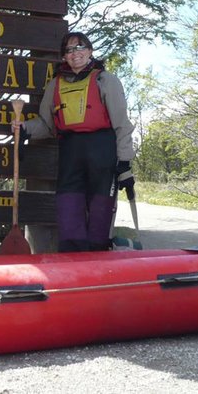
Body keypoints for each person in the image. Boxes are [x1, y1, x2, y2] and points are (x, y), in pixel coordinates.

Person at [14, 31, 134, 252]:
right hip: (71, 151)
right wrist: (24, 128)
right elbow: (46, 124)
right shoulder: (55, 85)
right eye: (69, 50)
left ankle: (98, 261)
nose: (75, 53)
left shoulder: (105, 80)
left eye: (79, 47)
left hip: (102, 150)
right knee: (69, 209)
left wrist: (125, 162)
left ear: (89, 51)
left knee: (100, 212)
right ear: (64, 57)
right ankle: (72, 261)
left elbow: (122, 124)